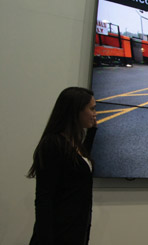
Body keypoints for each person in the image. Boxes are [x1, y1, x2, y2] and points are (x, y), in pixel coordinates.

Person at [27, 87, 97, 245]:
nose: (95, 114)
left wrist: (93, 131)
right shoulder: (53, 144)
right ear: (75, 110)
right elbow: (44, 198)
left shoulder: (74, 143)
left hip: (75, 232)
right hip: (59, 235)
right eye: (92, 109)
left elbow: (80, 167)